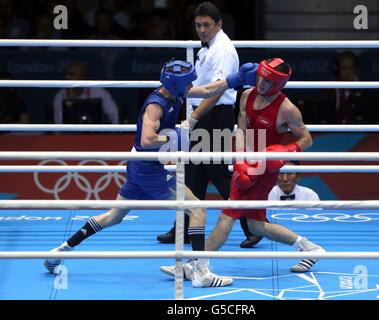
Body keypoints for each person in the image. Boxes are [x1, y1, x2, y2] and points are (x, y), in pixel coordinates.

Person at [43, 59, 257, 288]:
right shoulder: (156, 105)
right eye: (187, 84)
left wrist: (234, 80)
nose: (191, 86)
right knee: (197, 208)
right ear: (176, 85)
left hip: (140, 166)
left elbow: (205, 90)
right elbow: (147, 140)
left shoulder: (174, 92)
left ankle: (61, 250)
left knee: (114, 216)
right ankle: (202, 272)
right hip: (148, 169)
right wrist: (174, 137)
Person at [160, 58, 325, 282]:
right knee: (257, 225)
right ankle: (309, 247)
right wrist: (240, 161)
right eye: (260, 77)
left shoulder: (287, 110)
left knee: (227, 216)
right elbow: (241, 130)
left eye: (268, 81)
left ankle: (196, 264)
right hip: (246, 162)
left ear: (279, 83)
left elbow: (306, 139)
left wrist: (284, 152)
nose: (261, 83)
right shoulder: (247, 95)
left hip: (266, 169)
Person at [157, 1, 263, 248]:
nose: (202, 30)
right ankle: (181, 228)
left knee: (216, 172)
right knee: (194, 174)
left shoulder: (223, 50)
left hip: (216, 115)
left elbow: (217, 91)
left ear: (219, 24)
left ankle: (253, 224)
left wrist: (193, 118)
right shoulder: (206, 49)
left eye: (206, 25)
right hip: (204, 115)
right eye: (198, 25)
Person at [52, 61, 119, 124]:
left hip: (94, 135)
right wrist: (70, 100)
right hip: (69, 135)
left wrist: (113, 134)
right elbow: (57, 124)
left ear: (83, 77)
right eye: (66, 74)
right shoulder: (60, 95)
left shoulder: (99, 92)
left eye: (72, 75)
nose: (67, 77)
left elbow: (115, 115)